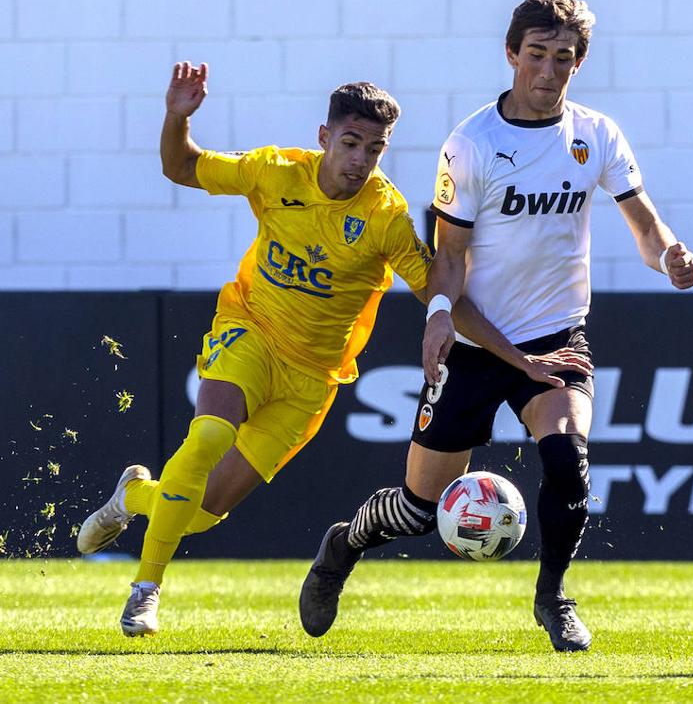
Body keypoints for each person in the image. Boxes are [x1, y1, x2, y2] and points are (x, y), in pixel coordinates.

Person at [76, 63, 578, 637]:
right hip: (250, 330)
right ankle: (146, 590)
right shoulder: (275, 172)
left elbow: (442, 297)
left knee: (200, 515)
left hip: (313, 376)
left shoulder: (385, 217)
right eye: (350, 143)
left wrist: (521, 359)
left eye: (375, 148)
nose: (361, 159)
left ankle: (132, 496)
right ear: (324, 138)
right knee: (209, 435)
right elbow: (180, 166)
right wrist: (176, 117)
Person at [299, 0, 693, 652]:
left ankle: (554, 599)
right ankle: (344, 544)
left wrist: (671, 257)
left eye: (563, 59)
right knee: (416, 512)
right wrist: (435, 314)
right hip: (475, 341)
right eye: (536, 54)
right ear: (512, 53)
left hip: (558, 335)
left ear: (579, 64)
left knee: (569, 461)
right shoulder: (472, 144)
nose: (548, 70)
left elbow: (646, 227)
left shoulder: (597, 135)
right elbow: (449, 262)